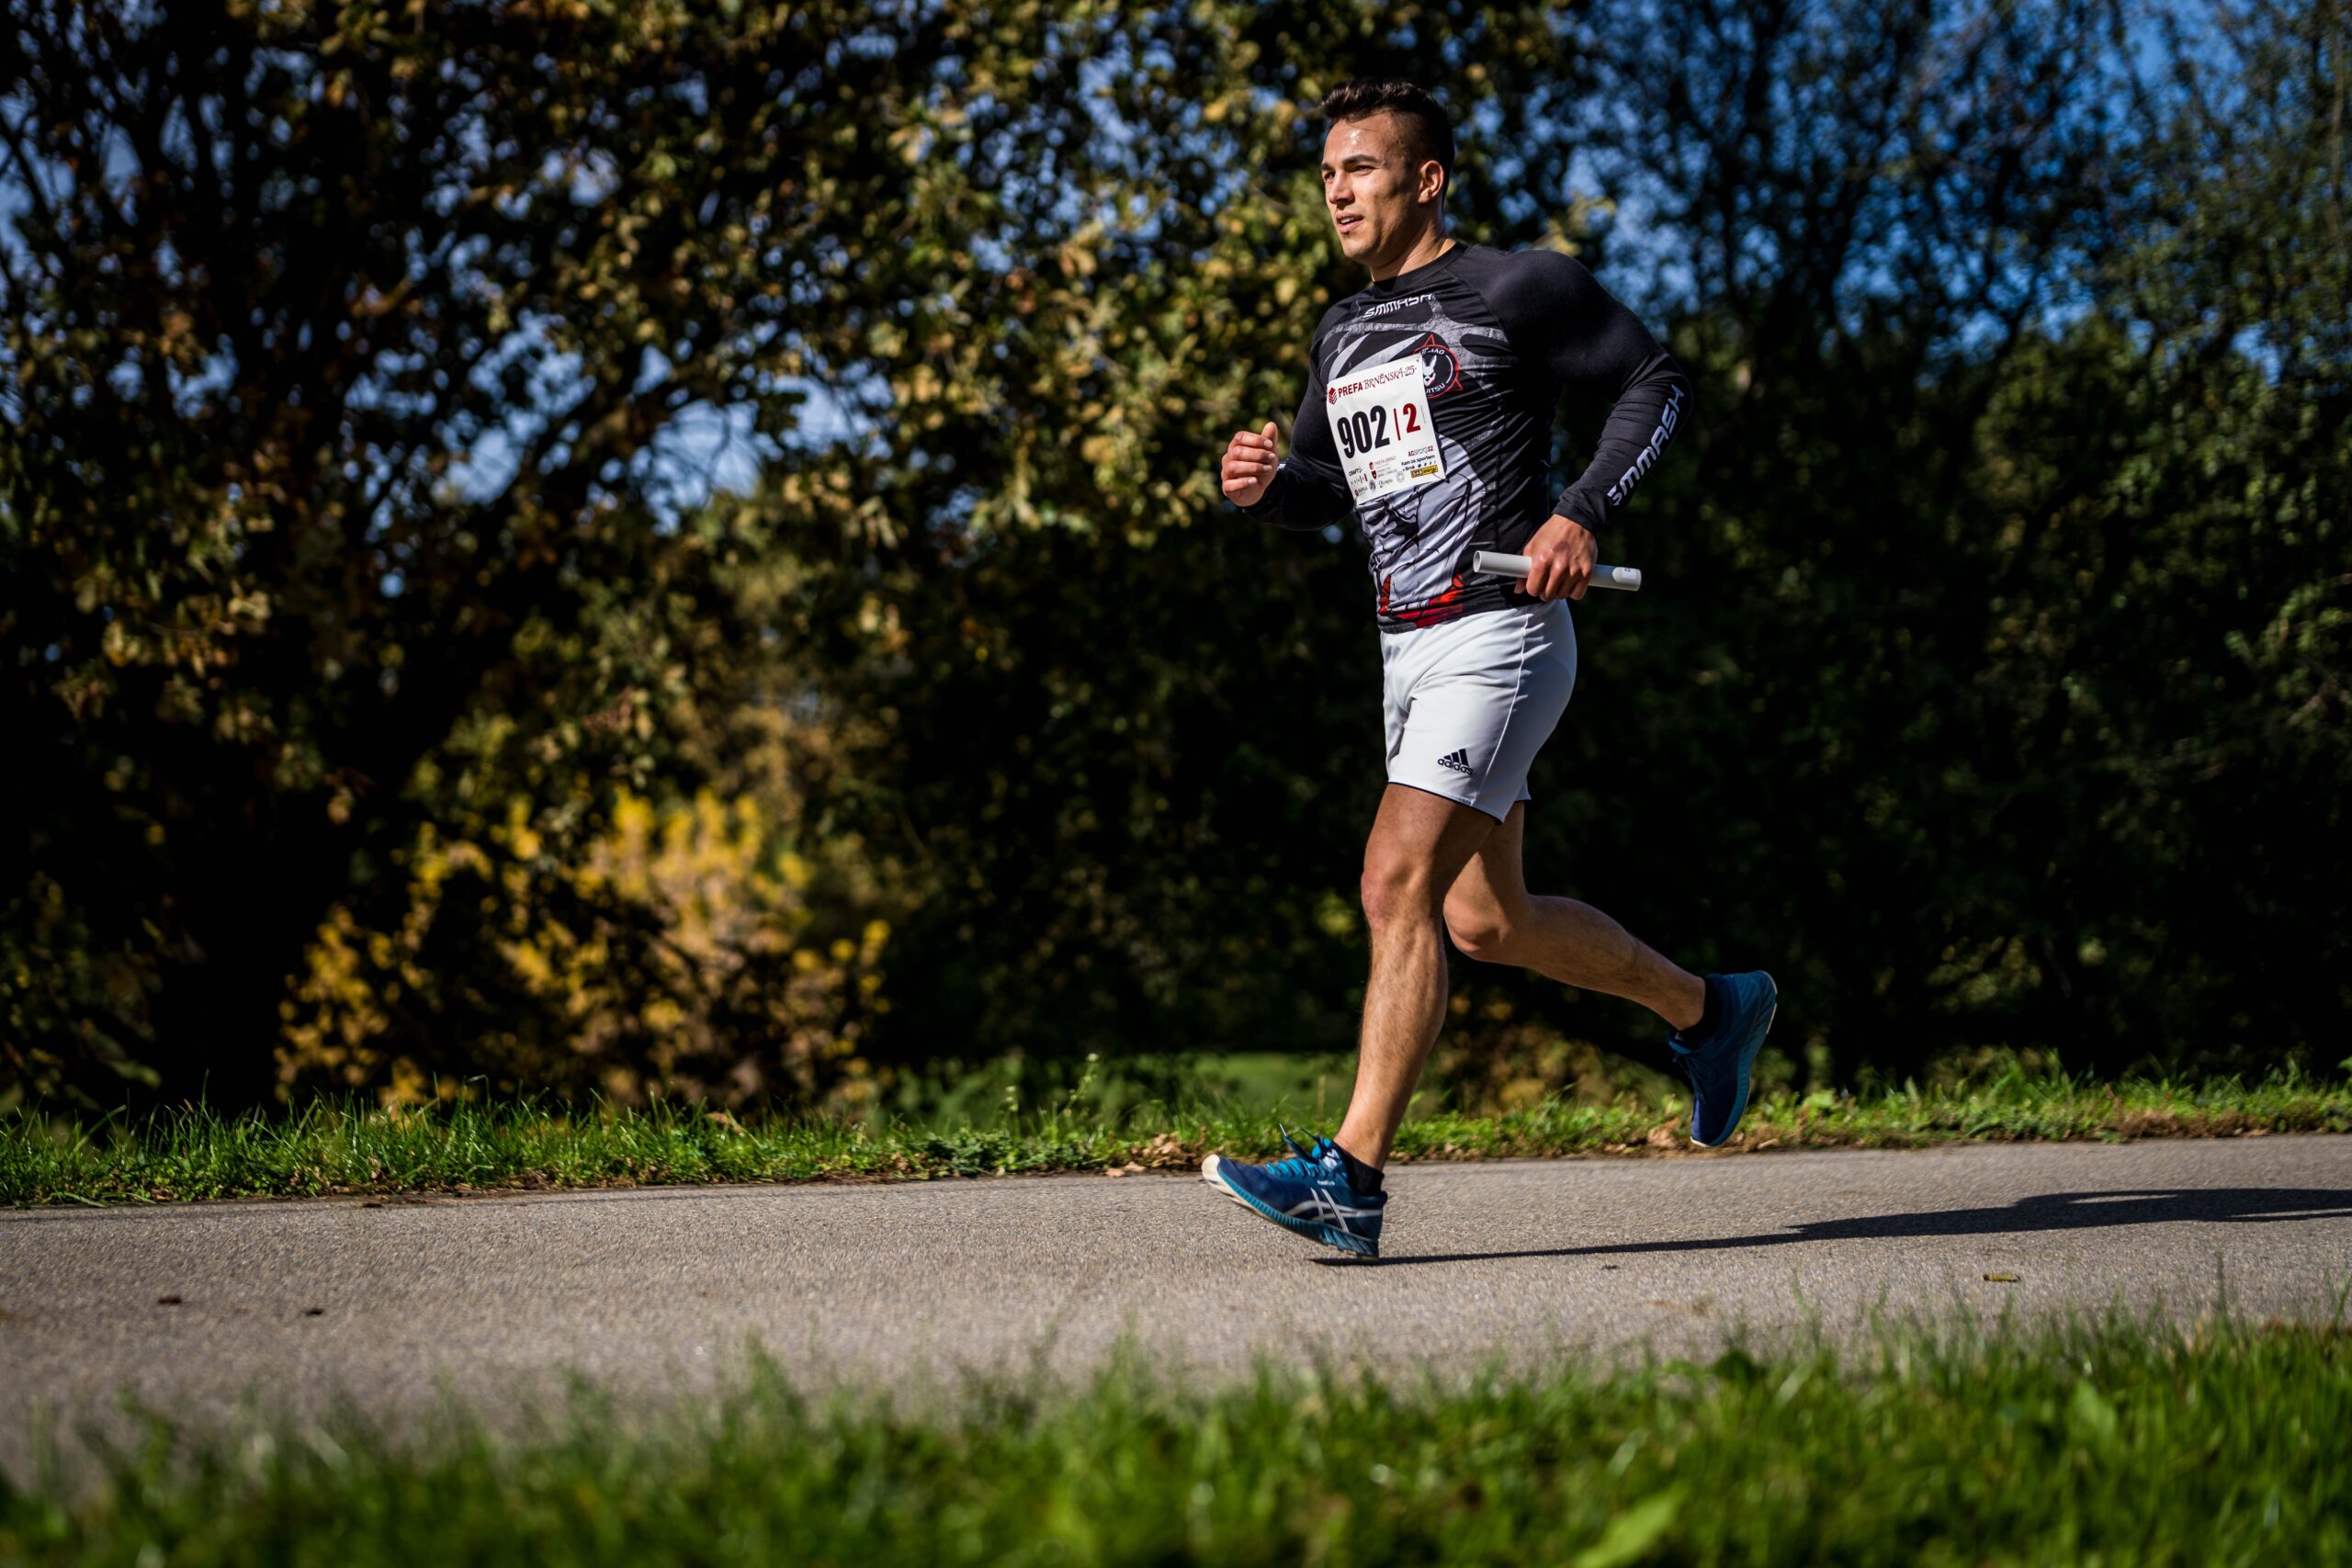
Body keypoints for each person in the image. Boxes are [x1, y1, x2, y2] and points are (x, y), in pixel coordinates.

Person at [1202, 79, 1777, 1258]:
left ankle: (1350, 1180)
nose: (1336, 192)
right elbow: (1328, 489)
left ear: (1425, 181)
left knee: (1393, 883)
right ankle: (1710, 1010)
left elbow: (1654, 380)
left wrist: (1581, 511)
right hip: (1406, 647)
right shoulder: (1340, 331)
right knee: (1485, 922)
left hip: (1500, 633)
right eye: (1326, 175)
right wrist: (1265, 488)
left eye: (1360, 169)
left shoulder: (1518, 287)